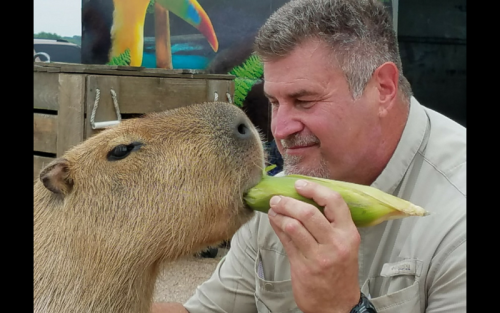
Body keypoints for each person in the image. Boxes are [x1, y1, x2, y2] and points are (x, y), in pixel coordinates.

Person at [153, 0, 466, 312]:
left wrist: (343, 307)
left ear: (382, 88)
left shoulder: (456, 215)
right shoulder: (280, 195)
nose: (280, 128)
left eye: (304, 100)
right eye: (274, 102)